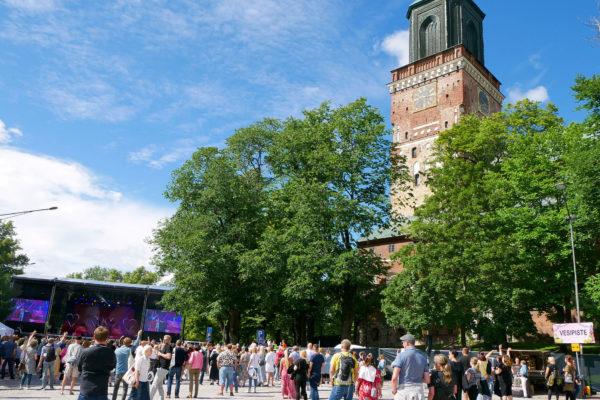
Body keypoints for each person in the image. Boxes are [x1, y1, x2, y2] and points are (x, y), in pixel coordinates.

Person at [77, 326, 117, 400]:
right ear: (107, 338)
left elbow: (79, 368)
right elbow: (112, 367)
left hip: (86, 389)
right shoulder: (111, 353)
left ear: (94, 337)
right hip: (101, 390)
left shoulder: (85, 351)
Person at [390, 334, 430, 400]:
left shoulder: (400, 356)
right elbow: (427, 380)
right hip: (418, 392)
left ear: (407, 343)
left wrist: (394, 391)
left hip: (404, 391)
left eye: (402, 342)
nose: (402, 344)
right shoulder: (423, 357)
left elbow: (394, 378)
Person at [114, 331, 141, 400]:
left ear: (123, 342)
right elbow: (136, 343)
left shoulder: (117, 350)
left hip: (118, 371)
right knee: (125, 388)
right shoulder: (129, 349)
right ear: (130, 343)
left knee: (115, 388)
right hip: (126, 372)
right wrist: (138, 335)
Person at [151, 335, 173, 400]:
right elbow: (160, 356)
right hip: (160, 367)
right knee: (159, 386)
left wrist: (160, 354)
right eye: (164, 339)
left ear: (169, 340)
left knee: (154, 384)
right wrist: (157, 353)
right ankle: (162, 398)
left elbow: (169, 356)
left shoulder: (168, 346)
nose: (164, 340)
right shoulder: (164, 346)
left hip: (163, 368)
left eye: (166, 339)